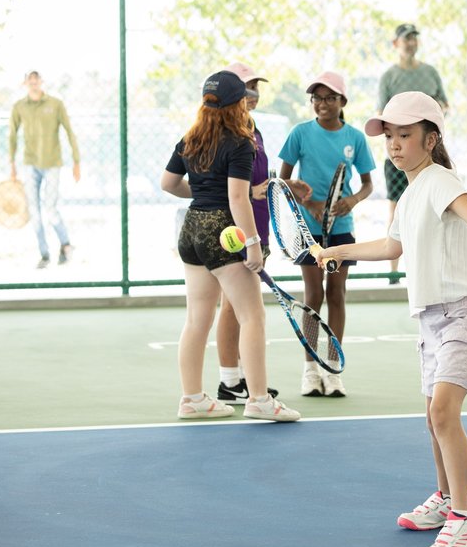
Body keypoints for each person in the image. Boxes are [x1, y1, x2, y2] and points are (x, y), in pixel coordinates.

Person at [314, 91, 467, 547]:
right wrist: (338, 252)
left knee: (444, 414)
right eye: (390, 137)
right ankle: (446, 498)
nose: (396, 145)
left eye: (405, 135)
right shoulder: (408, 194)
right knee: (433, 419)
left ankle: (465, 522)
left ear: (430, 138)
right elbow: (391, 247)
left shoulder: (442, 179)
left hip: (465, 312)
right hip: (430, 318)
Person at [161, 70, 300, 422]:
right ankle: (259, 400)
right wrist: (253, 245)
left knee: (196, 319)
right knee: (252, 315)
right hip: (224, 232)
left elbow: (169, 183)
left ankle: (191, 398)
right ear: (238, 104)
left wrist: (205, 191)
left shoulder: (190, 138)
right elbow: (238, 198)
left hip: (191, 231)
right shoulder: (241, 142)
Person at [213, 62, 312, 404]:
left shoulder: (252, 129)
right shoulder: (229, 133)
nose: (254, 93)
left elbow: (257, 185)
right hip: (237, 233)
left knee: (234, 308)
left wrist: (284, 185)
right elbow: (240, 191)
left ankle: (236, 380)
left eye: (257, 86)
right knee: (233, 309)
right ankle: (232, 382)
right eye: (248, 86)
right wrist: (250, 240)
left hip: (257, 227)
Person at [278, 71, 375, 398]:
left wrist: (351, 200)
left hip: (341, 233)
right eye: (317, 98)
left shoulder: (355, 138)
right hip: (307, 232)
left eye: (330, 98)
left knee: (336, 295)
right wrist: (310, 201)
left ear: (342, 102)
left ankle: (333, 368)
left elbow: (367, 184)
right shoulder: (300, 134)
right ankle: (310, 370)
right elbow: (283, 183)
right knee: (313, 297)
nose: (322, 104)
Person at [377, 23, 449, 284]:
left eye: (414, 38)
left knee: (435, 209)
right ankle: (393, 272)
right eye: (406, 39)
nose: (411, 43)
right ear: (396, 44)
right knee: (397, 210)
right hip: (399, 161)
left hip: (428, 154)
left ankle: (431, 271)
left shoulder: (430, 73)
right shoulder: (389, 77)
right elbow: (383, 116)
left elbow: (444, 105)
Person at [9, 71, 80, 269]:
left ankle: (65, 245)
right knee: (34, 211)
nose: (33, 84)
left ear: (41, 82)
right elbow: (12, 135)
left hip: (52, 163)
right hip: (30, 164)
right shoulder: (19, 106)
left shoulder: (55, 104)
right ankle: (44, 254)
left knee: (51, 208)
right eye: (30, 81)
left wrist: (76, 161)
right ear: (25, 83)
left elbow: (69, 131)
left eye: (36, 80)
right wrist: (12, 164)